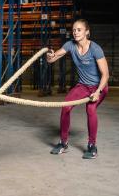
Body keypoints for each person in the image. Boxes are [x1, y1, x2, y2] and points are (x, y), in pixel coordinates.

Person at [46, 19, 109, 159]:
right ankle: (63, 142)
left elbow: (106, 75)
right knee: (65, 107)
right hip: (83, 86)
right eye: (74, 30)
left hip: (99, 87)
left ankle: (92, 146)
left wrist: (98, 92)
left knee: (90, 109)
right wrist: (50, 57)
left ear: (87, 32)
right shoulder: (70, 45)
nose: (75, 32)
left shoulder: (95, 49)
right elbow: (53, 58)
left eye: (79, 29)